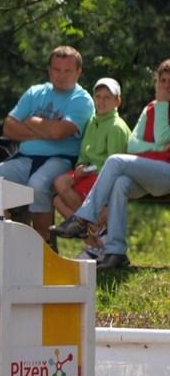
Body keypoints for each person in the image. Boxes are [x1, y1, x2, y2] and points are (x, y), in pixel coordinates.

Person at [51, 59, 170, 269]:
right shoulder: (150, 108)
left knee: (115, 160)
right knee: (120, 182)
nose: (166, 86)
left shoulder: (158, 106)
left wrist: (162, 104)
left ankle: (82, 220)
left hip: (165, 174)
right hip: (147, 173)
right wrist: (157, 147)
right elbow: (133, 145)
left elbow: (161, 137)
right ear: (156, 83)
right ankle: (116, 252)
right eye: (163, 81)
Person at [0, 46, 94, 242]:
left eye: (67, 71)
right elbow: (8, 128)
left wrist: (30, 121)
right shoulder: (35, 92)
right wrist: (48, 127)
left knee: (37, 185)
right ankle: (12, 243)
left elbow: (58, 133)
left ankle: (43, 244)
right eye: (56, 69)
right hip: (24, 158)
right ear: (49, 70)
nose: (61, 75)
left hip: (61, 160)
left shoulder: (81, 100)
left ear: (78, 72)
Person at [52, 77, 131, 258]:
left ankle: (95, 242)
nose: (101, 101)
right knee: (57, 195)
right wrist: (80, 166)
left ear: (117, 102)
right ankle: (96, 235)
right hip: (90, 173)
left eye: (107, 97)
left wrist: (107, 204)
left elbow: (115, 166)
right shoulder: (92, 122)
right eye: (98, 96)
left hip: (103, 177)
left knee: (61, 197)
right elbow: (84, 155)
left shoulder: (116, 127)